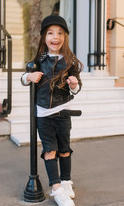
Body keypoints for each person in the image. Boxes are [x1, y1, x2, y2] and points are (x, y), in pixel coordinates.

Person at [21, 14, 83, 206]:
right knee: (50, 150)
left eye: (59, 33)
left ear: (64, 37)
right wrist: (28, 77)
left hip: (63, 113)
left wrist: (74, 84)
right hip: (44, 115)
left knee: (64, 150)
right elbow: (24, 77)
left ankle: (66, 181)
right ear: (44, 37)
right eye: (50, 33)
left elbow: (77, 87)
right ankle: (56, 189)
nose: (55, 37)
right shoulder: (39, 60)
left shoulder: (70, 62)